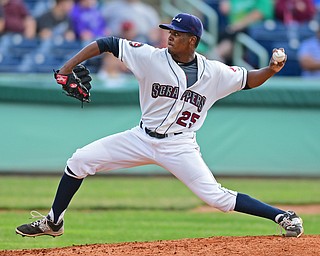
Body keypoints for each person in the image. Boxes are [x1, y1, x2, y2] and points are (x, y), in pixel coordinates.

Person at [15, 13, 303, 238]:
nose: (170, 37)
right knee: (79, 160)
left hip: (180, 145)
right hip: (140, 138)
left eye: (177, 34)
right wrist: (66, 69)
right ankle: (54, 222)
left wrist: (272, 69)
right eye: (169, 31)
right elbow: (106, 43)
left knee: (216, 197)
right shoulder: (150, 57)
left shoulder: (214, 72)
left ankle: (283, 216)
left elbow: (248, 79)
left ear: (193, 40)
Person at [211, 0, 274, 65]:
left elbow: (259, 13)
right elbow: (224, 9)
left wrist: (238, 26)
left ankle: (212, 60)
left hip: (250, 31)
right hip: (230, 29)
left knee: (230, 41)